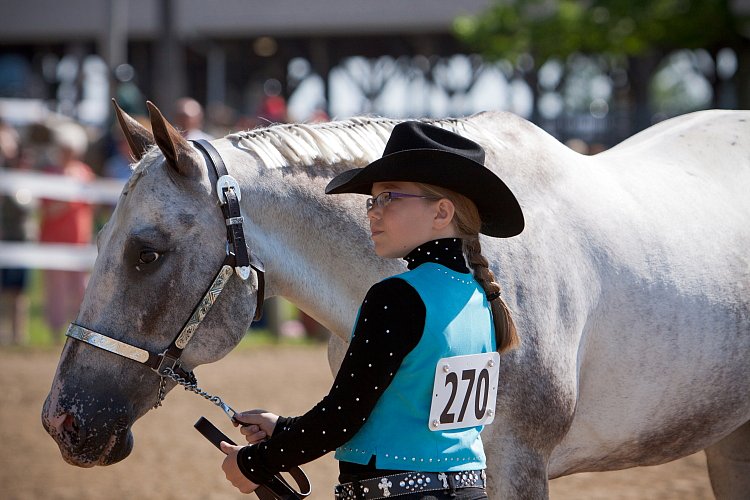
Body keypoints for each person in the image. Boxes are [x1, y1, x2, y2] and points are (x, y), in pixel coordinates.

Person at [220, 122, 525, 499]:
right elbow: (401, 407)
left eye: (389, 198)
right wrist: (284, 428)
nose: (373, 213)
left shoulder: (398, 296)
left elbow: (344, 415)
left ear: (441, 212)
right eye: (372, 201)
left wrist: (257, 463)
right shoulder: (482, 297)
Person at [39, 121, 96, 342]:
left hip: (79, 241)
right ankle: (55, 335)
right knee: (56, 290)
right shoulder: (49, 173)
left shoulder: (85, 172)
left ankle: (78, 334)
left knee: (81, 289)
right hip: (53, 240)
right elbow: (48, 210)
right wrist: (72, 199)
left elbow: (92, 206)